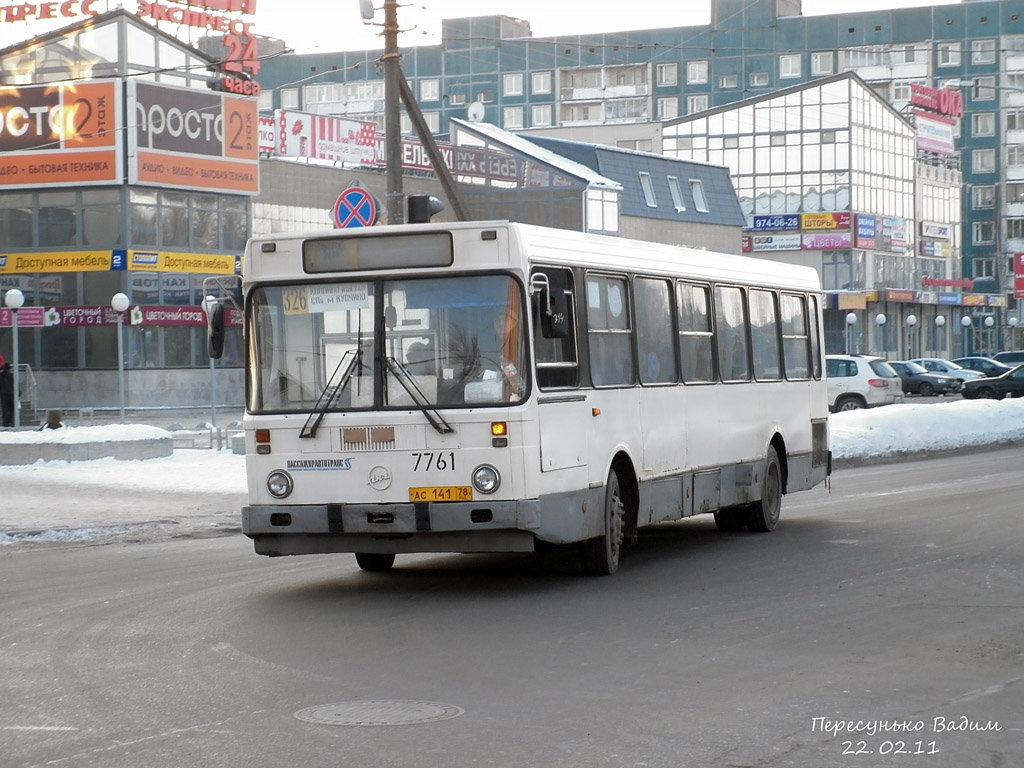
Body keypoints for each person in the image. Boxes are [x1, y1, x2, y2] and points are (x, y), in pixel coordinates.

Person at [0, 354, 14, 428]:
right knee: (12, 409)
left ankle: (6, 423)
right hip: (12, 394)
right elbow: (16, 385)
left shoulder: (1, 376)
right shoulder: (12, 376)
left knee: (5, 409)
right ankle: (11, 421)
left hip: (4, 394)